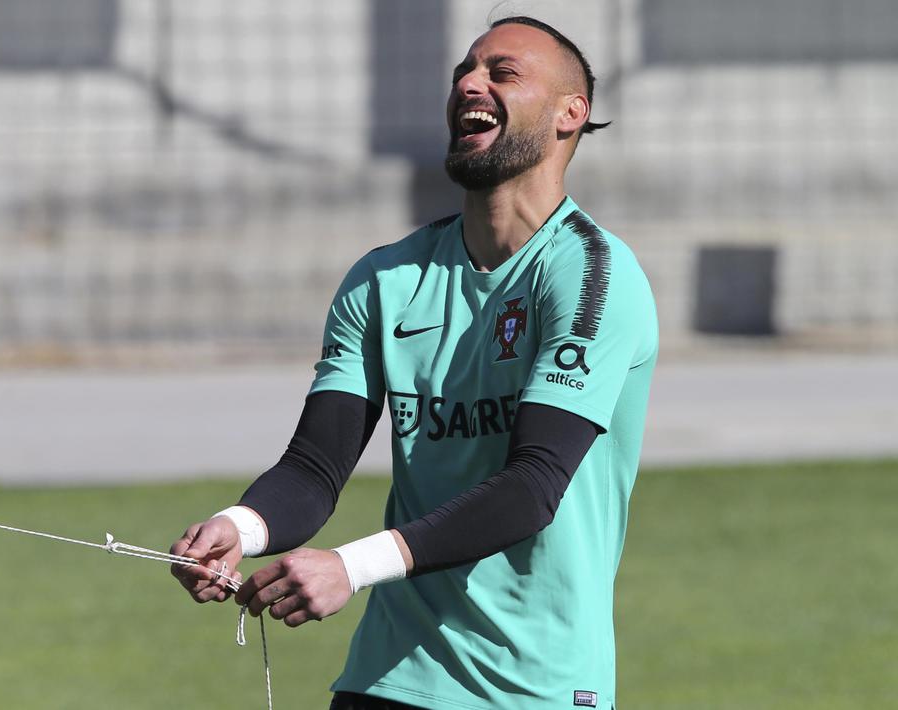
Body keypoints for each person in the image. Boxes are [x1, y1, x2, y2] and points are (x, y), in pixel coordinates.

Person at [171, 15, 657, 710]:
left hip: (536, 686)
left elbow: (532, 488)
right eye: (464, 69)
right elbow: (313, 469)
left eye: (501, 72)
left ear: (568, 114)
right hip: (389, 678)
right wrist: (239, 528)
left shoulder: (591, 275)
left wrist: (351, 565)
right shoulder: (383, 279)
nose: (468, 83)